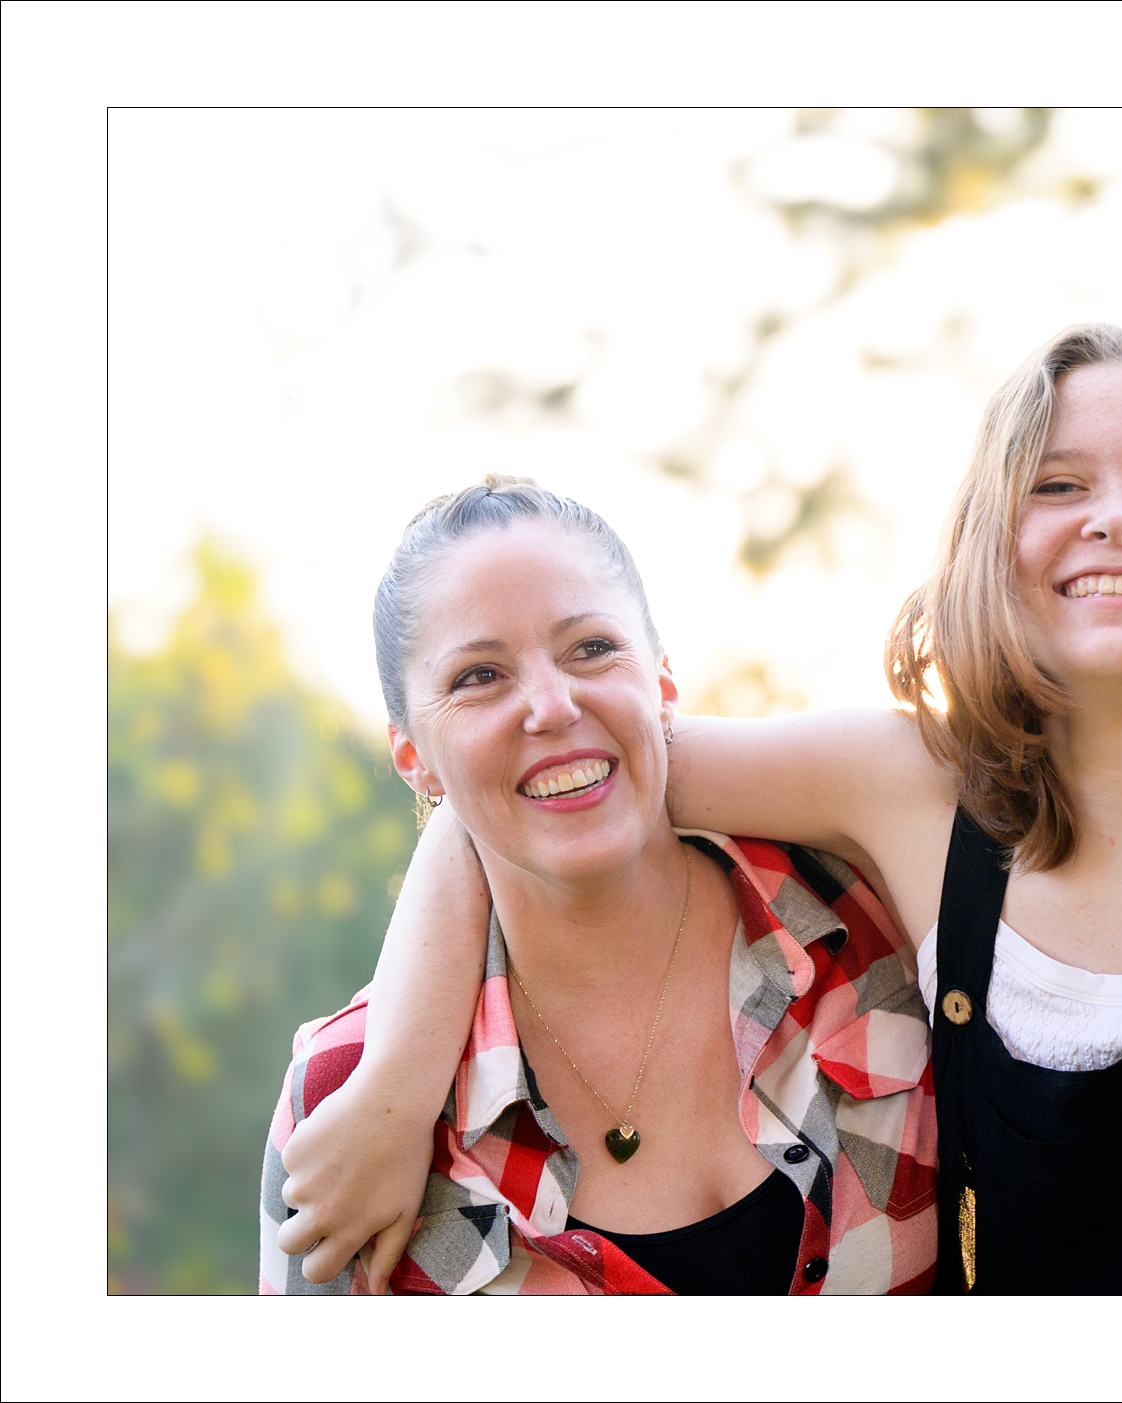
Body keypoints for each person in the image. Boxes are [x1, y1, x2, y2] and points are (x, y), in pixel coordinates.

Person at [281, 318, 1122, 1294]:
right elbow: (547, 778)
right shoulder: (908, 786)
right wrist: (393, 1088)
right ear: (993, 534)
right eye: (1057, 482)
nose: (1115, 515)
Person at [260, 481, 937, 1293]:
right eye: (479, 675)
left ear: (662, 681)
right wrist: (399, 1087)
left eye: (590, 648)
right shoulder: (344, 1100)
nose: (551, 705)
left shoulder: (873, 922)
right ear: (413, 756)